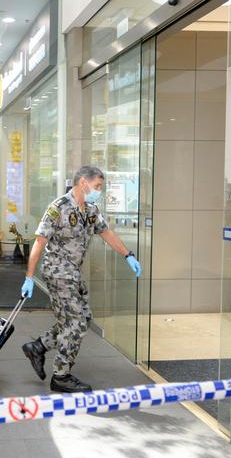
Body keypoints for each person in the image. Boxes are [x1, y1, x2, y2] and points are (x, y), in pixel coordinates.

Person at [20, 166, 142, 393]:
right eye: (97, 186)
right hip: (58, 273)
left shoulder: (91, 209)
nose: (99, 191)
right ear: (83, 182)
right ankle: (61, 375)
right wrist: (29, 277)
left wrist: (128, 255)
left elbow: (106, 233)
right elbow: (39, 242)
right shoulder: (58, 208)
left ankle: (38, 346)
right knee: (74, 323)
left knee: (83, 319)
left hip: (74, 273)